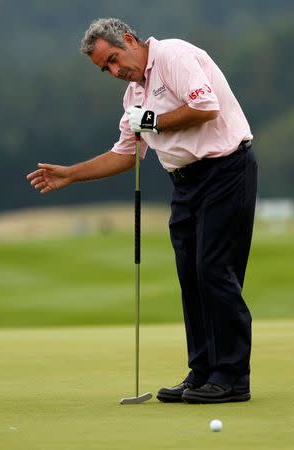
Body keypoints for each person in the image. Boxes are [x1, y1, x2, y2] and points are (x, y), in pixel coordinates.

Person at [27, 18, 257, 404]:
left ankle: (232, 377)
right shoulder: (134, 94)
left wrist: (151, 121)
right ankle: (202, 372)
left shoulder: (172, 55)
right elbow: (127, 153)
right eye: (107, 69)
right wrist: (71, 175)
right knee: (190, 273)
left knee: (213, 270)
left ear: (130, 39)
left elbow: (206, 107)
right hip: (185, 182)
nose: (116, 72)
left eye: (115, 59)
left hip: (225, 170)